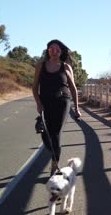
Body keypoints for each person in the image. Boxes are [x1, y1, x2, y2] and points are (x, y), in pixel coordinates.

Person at [32, 39, 81, 174]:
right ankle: (54, 154)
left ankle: (55, 164)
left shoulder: (65, 67)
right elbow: (35, 87)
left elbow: (73, 88)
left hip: (62, 102)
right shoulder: (40, 65)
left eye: (57, 49)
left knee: (56, 133)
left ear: (61, 52)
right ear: (48, 51)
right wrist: (38, 103)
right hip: (45, 102)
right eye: (51, 49)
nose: (54, 51)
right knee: (45, 134)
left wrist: (77, 108)